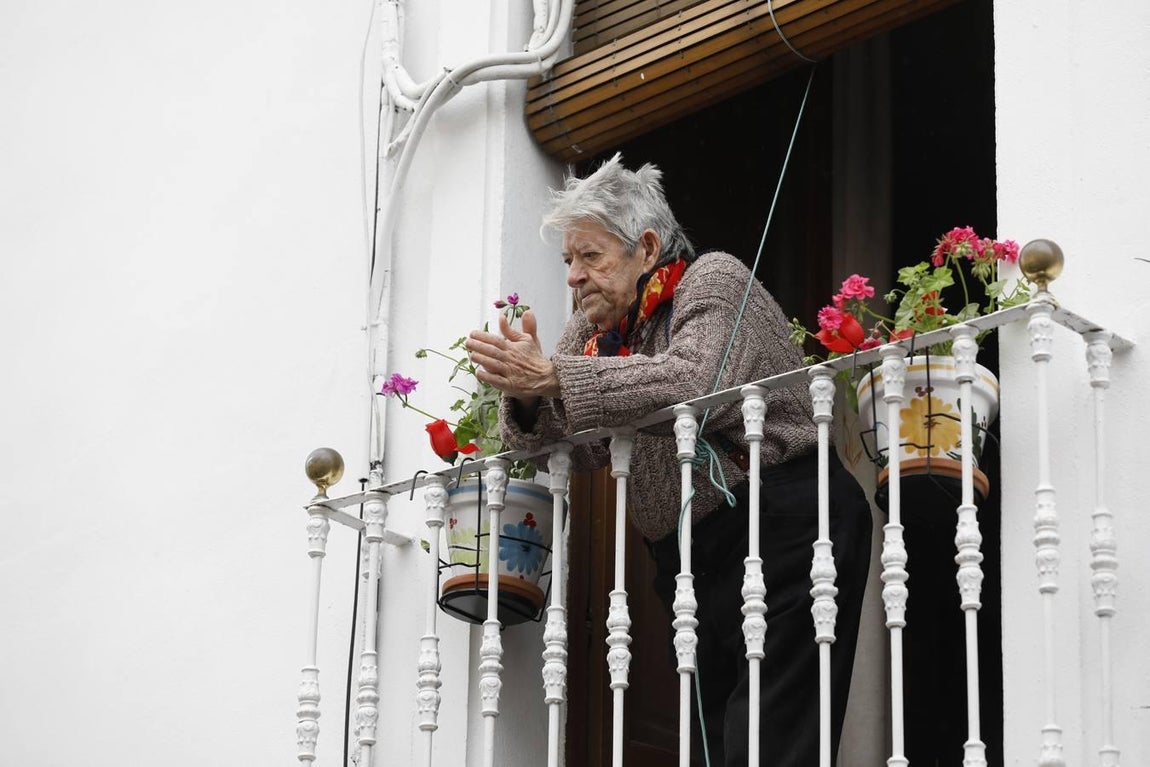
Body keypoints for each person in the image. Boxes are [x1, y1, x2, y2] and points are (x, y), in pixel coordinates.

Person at [465, 154, 872, 765]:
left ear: (646, 247)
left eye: (590, 257)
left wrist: (555, 375)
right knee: (714, 738)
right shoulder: (591, 332)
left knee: (772, 731)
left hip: (787, 522)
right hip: (690, 554)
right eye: (567, 261)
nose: (573, 277)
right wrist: (525, 395)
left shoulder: (712, 279)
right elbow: (568, 442)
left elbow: (695, 380)